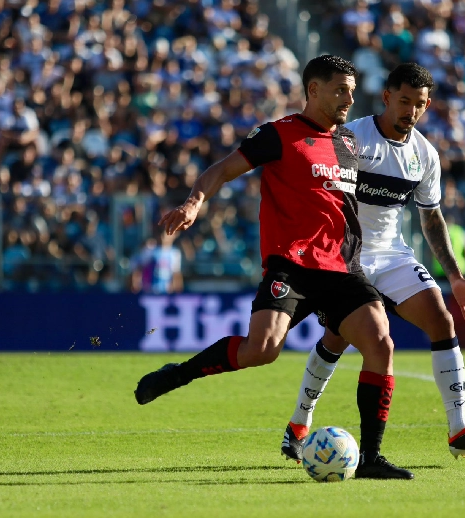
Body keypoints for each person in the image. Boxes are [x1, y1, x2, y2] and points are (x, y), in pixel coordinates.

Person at [133, 55, 413, 480]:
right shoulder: (278, 135)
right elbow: (221, 170)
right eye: (340, 90)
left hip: (341, 269)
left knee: (381, 344)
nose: (349, 99)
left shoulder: (350, 144)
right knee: (261, 350)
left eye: (353, 91)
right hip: (292, 266)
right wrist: (194, 201)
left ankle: (371, 457)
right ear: (313, 90)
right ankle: (180, 374)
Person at [280, 63, 465, 462]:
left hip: (393, 254)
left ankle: (458, 429)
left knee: (441, 319)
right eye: (404, 101)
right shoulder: (351, 137)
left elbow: (431, 217)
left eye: (419, 104)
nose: (411, 111)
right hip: (346, 256)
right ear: (386, 97)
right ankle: (299, 424)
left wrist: (454, 276)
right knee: (338, 336)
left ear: (428, 105)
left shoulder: (425, 155)